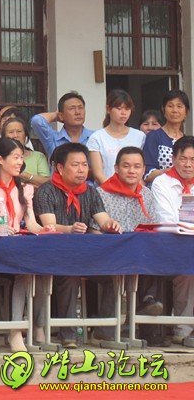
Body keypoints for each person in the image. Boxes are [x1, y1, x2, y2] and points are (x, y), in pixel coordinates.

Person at [34, 142, 122, 348]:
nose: (82, 170)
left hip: (84, 256)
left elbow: (102, 219)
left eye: (84, 164)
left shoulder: (90, 192)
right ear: (60, 168)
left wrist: (111, 225)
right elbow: (48, 226)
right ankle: (68, 334)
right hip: (53, 256)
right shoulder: (46, 191)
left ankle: (102, 332)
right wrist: (69, 229)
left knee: (114, 275)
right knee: (70, 276)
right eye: (75, 165)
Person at [0, 138, 51, 351]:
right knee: (24, 272)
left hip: (16, 247)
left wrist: (45, 230)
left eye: (21, 157)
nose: (20, 162)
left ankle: (36, 326)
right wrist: (1, 230)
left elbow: (31, 223)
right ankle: (15, 331)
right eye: (15, 157)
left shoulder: (24, 189)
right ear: (0, 159)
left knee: (40, 271)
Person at [94, 147, 166, 345]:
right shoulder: (101, 193)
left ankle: (149, 323)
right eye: (126, 166)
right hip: (110, 253)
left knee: (157, 258)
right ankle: (105, 331)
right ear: (116, 168)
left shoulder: (147, 194)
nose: (132, 171)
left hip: (139, 255)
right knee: (120, 269)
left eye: (137, 166)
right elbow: (94, 228)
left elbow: (153, 225)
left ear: (143, 170)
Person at [148, 136, 194, 344]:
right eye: (183, 159)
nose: (188, 164)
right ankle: (183, 330)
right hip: (171, 244)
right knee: (188, 271)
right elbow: (167, 219)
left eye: (193, 160)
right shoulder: (162, 182)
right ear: (173, 159)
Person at [87, 89, 145, 184]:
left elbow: (141, 170)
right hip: (106, 189)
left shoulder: (139, 136)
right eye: (119, 108)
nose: (123, 113)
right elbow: (98, 174)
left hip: (134, 189)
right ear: (108, 109)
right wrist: (114, 190)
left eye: (127, 109)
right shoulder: (97, 137)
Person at [144, 90, 190, 183]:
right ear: (163, 110)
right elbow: (147, 173)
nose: (175, 110)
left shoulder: (187, 142)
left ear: (186, 112)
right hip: (159, 189)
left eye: (179, 106)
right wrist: (170, 172)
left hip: (184, 190)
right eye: (170, 106)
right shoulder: (154, 137)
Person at [31, 91, 93, 158]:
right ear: (61, 115)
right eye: (72, 108)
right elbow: (36, 121)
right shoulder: (53, 139)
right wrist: (56, 116)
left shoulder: (95, 137)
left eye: (80, 107)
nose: (77, 112)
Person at [0, 115, 50, 186]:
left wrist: (23, 175)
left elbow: (47, 183)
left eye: (19, 131)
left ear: (25, 135)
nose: (15, 135)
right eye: (11, 132)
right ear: (4, 137)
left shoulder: (38, 157)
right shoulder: (0, 158)